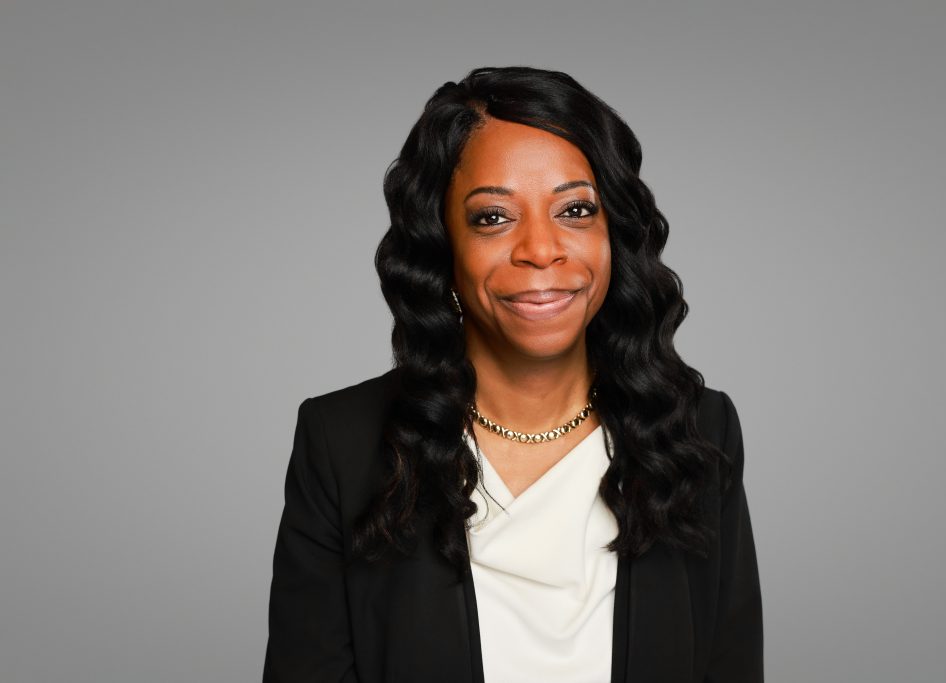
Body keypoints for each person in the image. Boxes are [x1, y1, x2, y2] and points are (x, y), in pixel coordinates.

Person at [263, 65, 763, 683]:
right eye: (493, 217)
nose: (540, 249)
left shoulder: (698, 432)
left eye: (576, 210)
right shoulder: (342, 442)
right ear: (441, 246)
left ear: (615, 237)